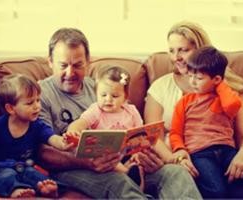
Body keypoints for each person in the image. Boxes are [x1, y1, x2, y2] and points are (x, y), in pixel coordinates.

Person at [37, 27, 202, 199]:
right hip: (73, 170)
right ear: (49, 61)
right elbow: (42, 151)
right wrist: (87, 162)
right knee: (120, 182)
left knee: (175, 174)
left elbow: (133, 130)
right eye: (63, 65)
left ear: (88, 61)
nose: (70, 73)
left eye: (78, 65)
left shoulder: (101, 88)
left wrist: (147, 157)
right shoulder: (41, 94)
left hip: (122, 162)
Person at [144, 21, 243, 197]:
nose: (176, 57)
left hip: (224, 152)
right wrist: (175, 159)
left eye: (183, 50)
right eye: (172, 50)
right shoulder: (160, 88)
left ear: (201, 50)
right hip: (182, 159)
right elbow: (153, 136)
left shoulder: (229, 88)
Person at [169, 46, 243, 198]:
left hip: (227, 150)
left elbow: (232, 106)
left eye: (199, 78)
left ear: (216, 79)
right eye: (190, 76)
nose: (193, 82)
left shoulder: (226, 97)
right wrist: (179, 149)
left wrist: (220, 86)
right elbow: (175, 132)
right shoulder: (184, 102)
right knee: (216, 189)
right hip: (200, 154)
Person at [0, 74, 72, 198]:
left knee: (33, 174)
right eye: (30, 103)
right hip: (0, 167)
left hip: (25, 167)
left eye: (38, 100)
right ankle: (16, 191)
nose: (37, 106)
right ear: (11, 108)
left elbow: (52, 138)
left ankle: (48, 189)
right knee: (6, 175)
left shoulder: (38, 125)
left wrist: (64, 143)